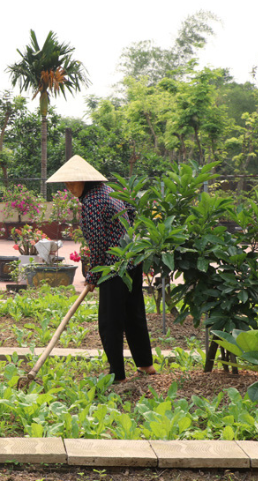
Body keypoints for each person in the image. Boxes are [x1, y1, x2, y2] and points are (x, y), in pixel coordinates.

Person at [48, 155, 156, 383]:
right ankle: (145, 365)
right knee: (133, 315)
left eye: (71, 183)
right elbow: (132, 215)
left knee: (110, 322)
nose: (68, 188)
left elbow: (98, 244)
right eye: (65, 184)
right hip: (132, 261)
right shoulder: (109, 192)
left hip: (114, 268)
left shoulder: (93, 203)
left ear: (84, 181)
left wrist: (93, 275)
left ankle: (117, 375)